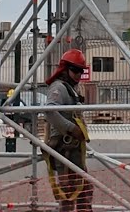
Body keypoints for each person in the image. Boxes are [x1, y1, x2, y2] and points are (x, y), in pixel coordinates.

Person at [44, 49, 91, 212]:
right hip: (64, 150)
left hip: (73, 149)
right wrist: (72, 129)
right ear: (65, 69)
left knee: (83, 188)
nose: (79, 74)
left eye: (81, 71)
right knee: (68, 191)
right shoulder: (59, 88)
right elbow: (50, 111)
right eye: (75, 70)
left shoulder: (70, 89)